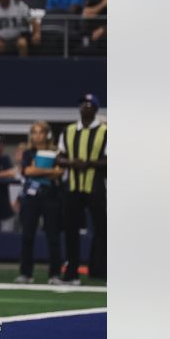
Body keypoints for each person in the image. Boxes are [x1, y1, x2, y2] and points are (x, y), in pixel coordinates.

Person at [57, 93, 106, 283]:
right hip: (73, 186)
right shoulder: (68, 130)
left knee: (102, 229)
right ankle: (71, 272)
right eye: (83, 104)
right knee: (70, 230)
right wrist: (71, 162)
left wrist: (89, 164)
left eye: (89, 104)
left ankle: (101, 269)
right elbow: (59, 157)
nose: (85, 107)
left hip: (95, 186)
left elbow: (109, 159)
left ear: (95, 109)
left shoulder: (104, 132)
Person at [17, 122, 65, 284]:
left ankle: (55, 274)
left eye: (41, 133)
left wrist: (38, 170)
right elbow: (28, 171)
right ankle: (26, 273)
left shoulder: (55, 152)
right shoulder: (28, 153)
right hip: (31, 197)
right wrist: (49, 171)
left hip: (51, 196)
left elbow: (60, 172)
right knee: (27, 235)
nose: (37, 136)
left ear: (47, 135)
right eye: (34, 133)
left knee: (53, 236)